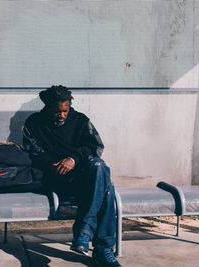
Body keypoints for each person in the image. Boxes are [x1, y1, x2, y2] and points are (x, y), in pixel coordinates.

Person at [22, 85, 121, 267]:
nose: (62, 115)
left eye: (65, 110)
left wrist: (73, 159)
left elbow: (96, 147)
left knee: (99, 166)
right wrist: (51, 164)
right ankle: (102, 249)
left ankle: (84, 233)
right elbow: (30, 152)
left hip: (82, 176)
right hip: (54, 179)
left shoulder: (80, 120)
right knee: (107, 189)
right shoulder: (34, 123)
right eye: (57, 111)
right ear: (48, 107)